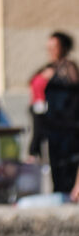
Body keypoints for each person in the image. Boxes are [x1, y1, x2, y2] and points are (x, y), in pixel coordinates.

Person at [30, 31, 79, 199]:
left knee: (66, 166)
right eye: (48, 47)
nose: (51, 50)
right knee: (54, 167)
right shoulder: (47, 68)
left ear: (63, 48)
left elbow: (72, 91)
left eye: (54, 47)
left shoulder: (68, 68)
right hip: (48, 125)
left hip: (66, 127)